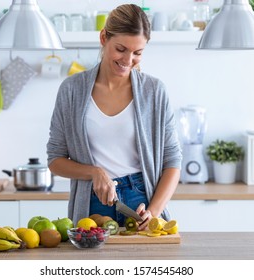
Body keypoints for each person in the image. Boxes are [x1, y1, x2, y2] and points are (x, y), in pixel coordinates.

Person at [46, 4, 181, 230]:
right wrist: (94, 172)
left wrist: (153, 211)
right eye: (121, 49)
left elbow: (172, 161)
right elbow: (55, 159)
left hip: (143, 200)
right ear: (103, 38)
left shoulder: (154, 91)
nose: (128, 60)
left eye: (137, 53)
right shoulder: (71, 90)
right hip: (92, 201)